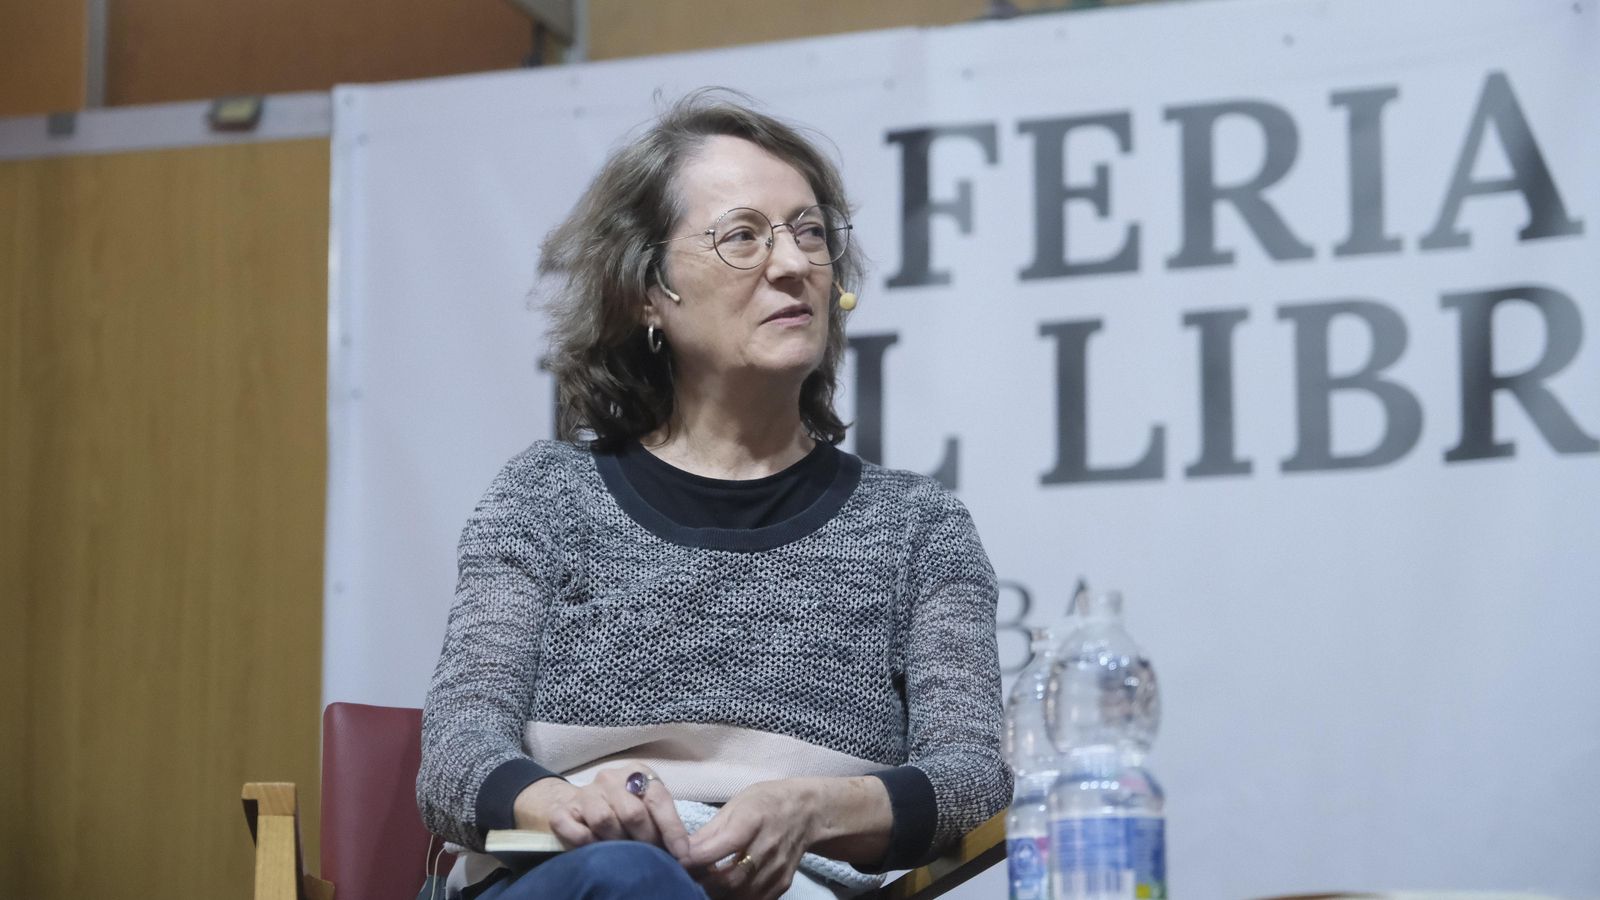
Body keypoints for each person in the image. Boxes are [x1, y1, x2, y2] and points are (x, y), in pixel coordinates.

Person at [417, 91, 1010, 900]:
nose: (794, 263)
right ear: (646, 293)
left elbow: (973, 775)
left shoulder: (917, 527)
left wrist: (814, 807)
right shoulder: (546, 498)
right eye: (742, 236)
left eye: (810, 233)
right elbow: (455, 754)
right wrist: (573, 809)